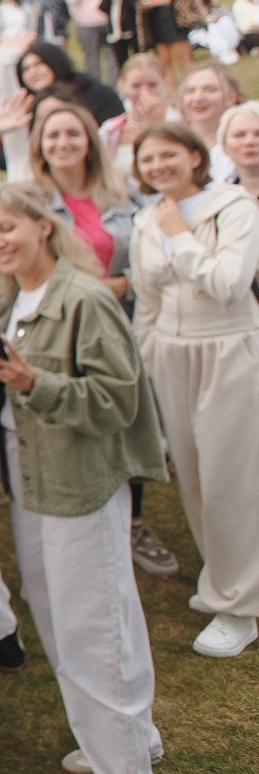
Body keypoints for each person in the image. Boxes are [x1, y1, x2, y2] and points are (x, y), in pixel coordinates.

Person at [0, 184, 167, 774]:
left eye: (7, 226)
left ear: (43, 226)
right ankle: (129, 744)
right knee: (69, 619)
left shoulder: (83, 298)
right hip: (34, 485)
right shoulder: (11, 301)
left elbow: (118, 400)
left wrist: (33, 385)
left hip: (80, 487)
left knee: (95, 637)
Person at [127, 125, 259, 659]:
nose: (159, 165)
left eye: (169, 154)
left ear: (196, 157)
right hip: (171, 355)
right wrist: (148, 352)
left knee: (232, 479)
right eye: (148, 158)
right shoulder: (144, 219)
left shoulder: (235, 207)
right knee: (195, 475)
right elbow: (146, 297)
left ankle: (240, 607)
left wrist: (179, 233)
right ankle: (228, 580)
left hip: (228, 348)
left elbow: (228, 282)